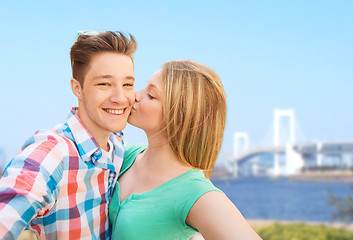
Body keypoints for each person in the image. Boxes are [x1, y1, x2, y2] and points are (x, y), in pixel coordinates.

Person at [0, 31, 136, 240]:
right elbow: (10, 205)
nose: (120, 97)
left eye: (127, 84)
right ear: (77, 88)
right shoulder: (54, 151)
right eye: (104, 84)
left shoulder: (118, 146)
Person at [109, 60, 262, 239]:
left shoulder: (194, 192)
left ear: (179, 117)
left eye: (150, 95)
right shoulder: (126, 155)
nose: (134, 95)